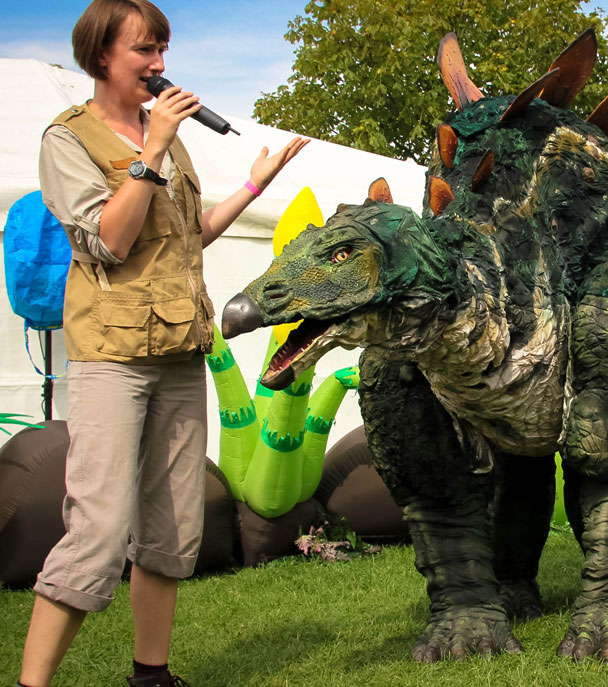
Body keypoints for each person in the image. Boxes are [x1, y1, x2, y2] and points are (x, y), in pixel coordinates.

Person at [18, 2, 308, 686]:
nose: (159, 65)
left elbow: (190, 235)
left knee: (173, 525)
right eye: (145, 50)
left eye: (163, 50)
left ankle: (151, 675)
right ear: (101, 56)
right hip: (112, 357)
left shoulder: (166, 136)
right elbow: (111, 241)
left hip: (180, 350)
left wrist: (254, 185)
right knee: (97, 531)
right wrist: (148, 156)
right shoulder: (69, 139)